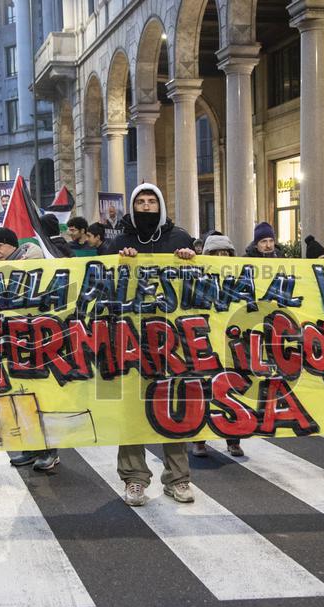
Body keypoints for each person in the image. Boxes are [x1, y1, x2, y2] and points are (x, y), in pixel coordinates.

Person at [103, 183, 197, 505]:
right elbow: (101, 285)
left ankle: (178, 478)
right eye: (140, 201)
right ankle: (134, 479)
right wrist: (119, 261)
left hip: (172, 338)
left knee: (173, 408)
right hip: (130, 338)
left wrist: (190, 260)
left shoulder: (180, 239)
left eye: (151, 201)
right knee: (132, 410)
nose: (146, 207)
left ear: (161, 206)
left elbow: (198, 286)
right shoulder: (118, 242)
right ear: (132, 205)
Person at [0, 228, 61, 471]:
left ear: (12, 245)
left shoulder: (32, 261)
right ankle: (31, 448)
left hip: (38, 339)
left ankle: (49, 451)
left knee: (40, 397)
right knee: (22, 397)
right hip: (16, 339)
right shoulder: (3, 270)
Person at [192, 233, 246, 458]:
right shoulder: (198, 279)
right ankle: (199, 440)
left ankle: (233, 439)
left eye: (226, 253)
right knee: (203, 391)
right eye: (216, 253)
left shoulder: (241, 279)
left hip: (231, 343)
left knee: (232, 391)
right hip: (205, 342)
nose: (222, 257)